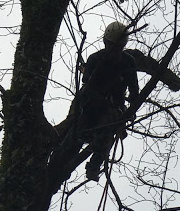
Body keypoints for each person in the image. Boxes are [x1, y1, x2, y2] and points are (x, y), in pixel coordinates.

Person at [58, 21, 139, 182]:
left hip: (113, 108)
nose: (115, 51)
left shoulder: (128, 62)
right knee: (76, 133)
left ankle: (94, 166)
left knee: (107, 133)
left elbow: (134, 89)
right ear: (106, 43)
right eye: (112, 46)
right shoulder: (95, 59)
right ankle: (60, 162)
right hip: (91, 106)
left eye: (118, 47)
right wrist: (100, 101)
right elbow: (87, 86)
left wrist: (131, 110)